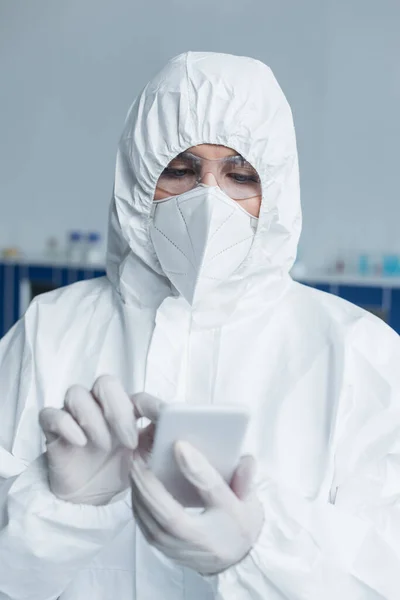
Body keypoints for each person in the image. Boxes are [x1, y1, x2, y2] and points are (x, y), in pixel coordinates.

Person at [0, 51, 400, 600]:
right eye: (181, 171)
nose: (209, 203)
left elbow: (385, 571)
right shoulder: (50, 330)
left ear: (276, 193)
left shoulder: (358, 352)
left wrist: (261, 546)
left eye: (239, 176)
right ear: (137, 179)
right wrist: (56, 508)